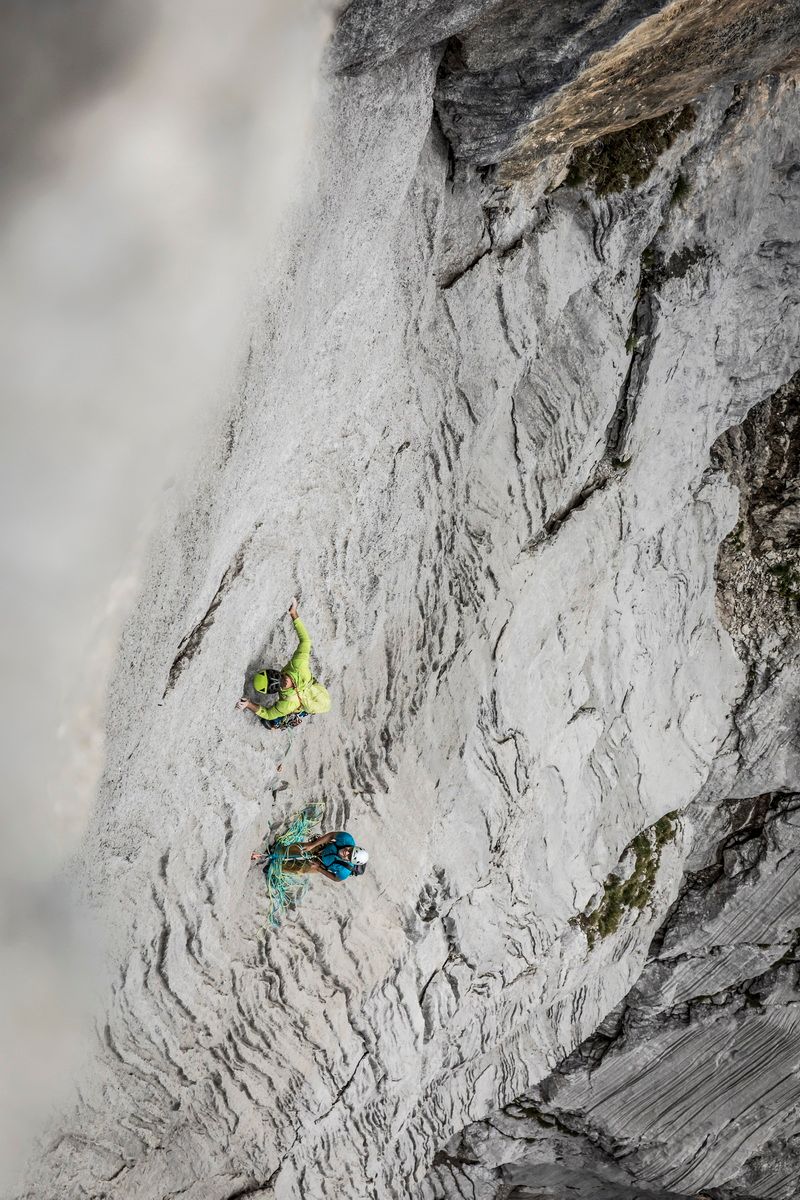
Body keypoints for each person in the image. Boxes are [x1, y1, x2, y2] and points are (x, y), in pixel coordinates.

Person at [237, 599, 331, 728]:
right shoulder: (298, 667)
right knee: (283, 715)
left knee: (274, 721)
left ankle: (286, 721)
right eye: (281, 683)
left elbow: (269, 714)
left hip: (313, 701)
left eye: (282, 680)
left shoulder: (289, 700)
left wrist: (249, 705)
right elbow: (306, 642)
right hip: (316, 694)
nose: (285, 682)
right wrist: (294, 614)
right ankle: (295, 715)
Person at [252, 831, 368, 881]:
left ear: (349, 861)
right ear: (353, 846)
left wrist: (318, 868)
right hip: (323, 848)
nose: (346, 852)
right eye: (350, 850)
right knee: (300, 848)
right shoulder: (347, 839)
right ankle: (278, 851)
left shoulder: (344, 872)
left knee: (300, 868)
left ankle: (277, 868)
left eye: (348, 856)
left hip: (322, 864)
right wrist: (312, 845)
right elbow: (331, 835)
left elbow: (335, 878)